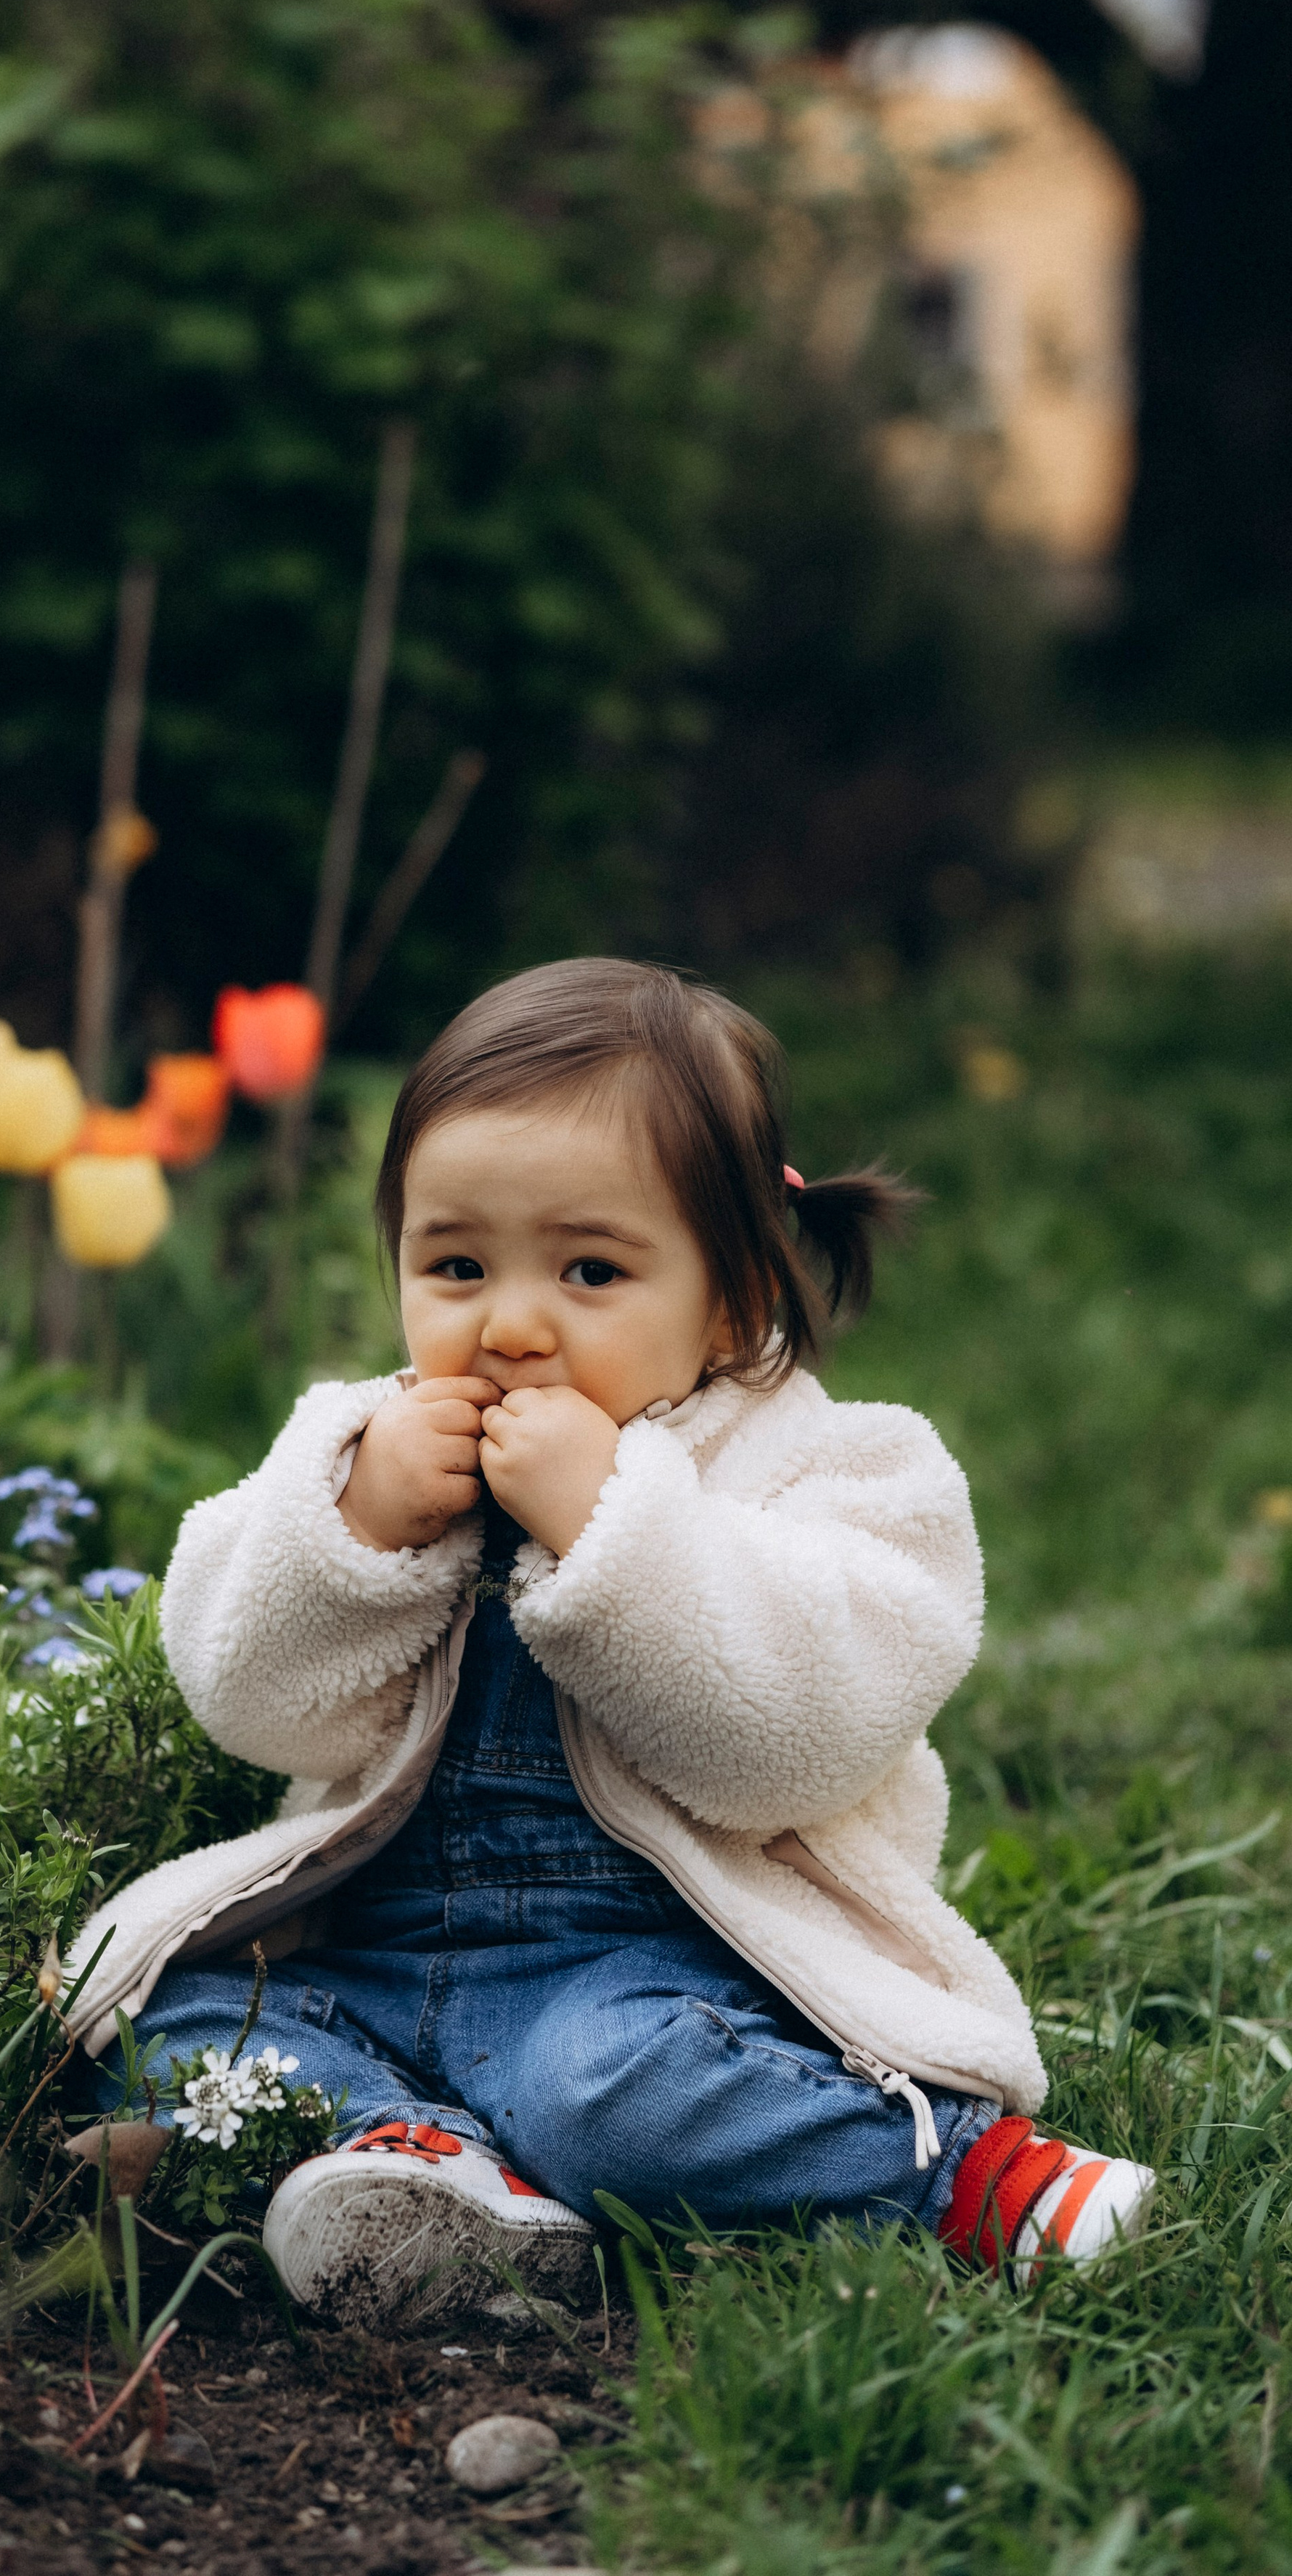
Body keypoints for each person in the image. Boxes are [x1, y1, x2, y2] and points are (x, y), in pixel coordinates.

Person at [64, 959, 1153, 2324]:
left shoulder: (844, 1475)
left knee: (613, 2099)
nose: (511, 1325)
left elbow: (787, 1748)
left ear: (735, 1298)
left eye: (590, 1270)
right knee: (146, 2015)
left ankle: (956, 2174)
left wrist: (611, 1533)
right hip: (373, 1963)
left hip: (664, 1984)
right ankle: (427, 2162)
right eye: (456, 1265)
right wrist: (356, 1524)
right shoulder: (369, 1450)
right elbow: (249, 1697)